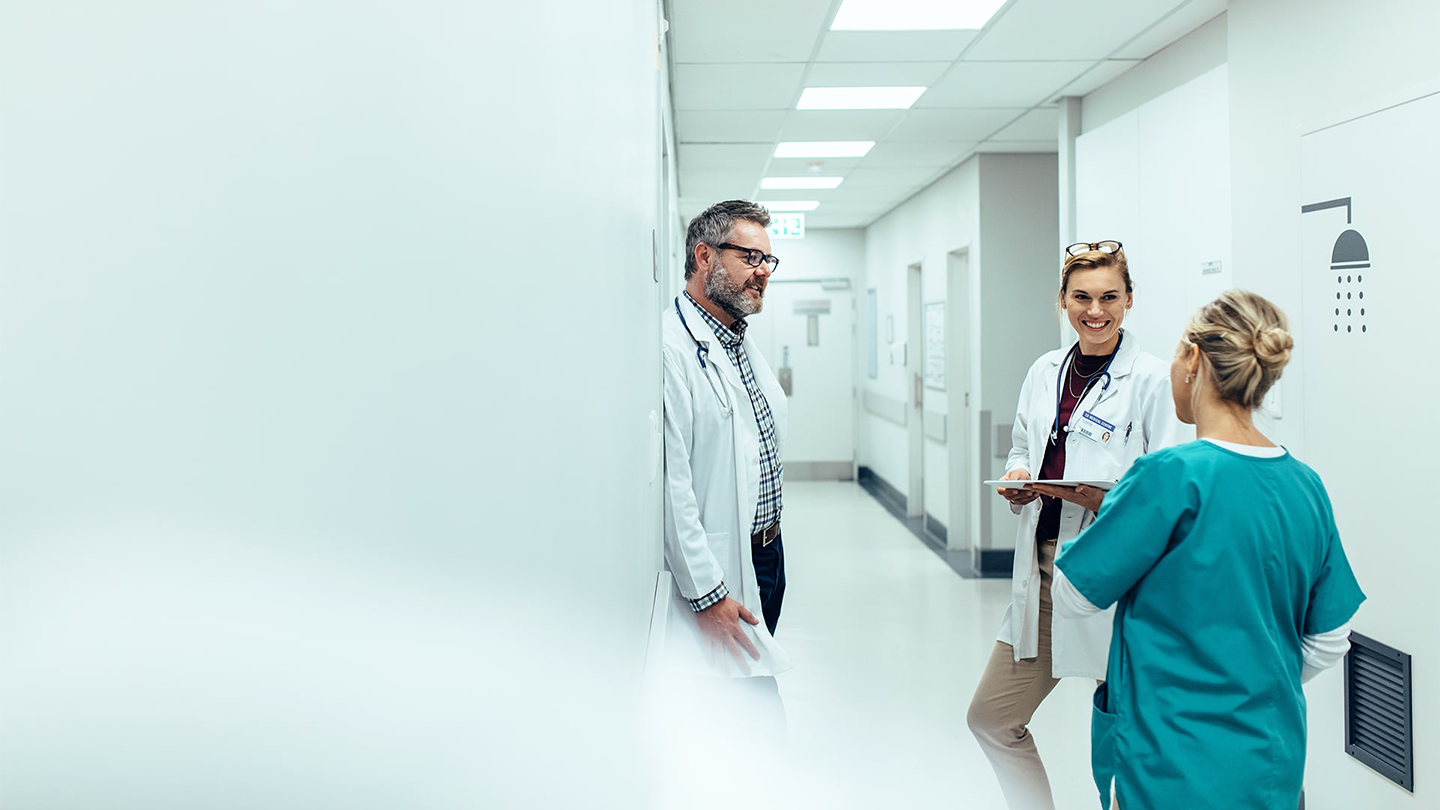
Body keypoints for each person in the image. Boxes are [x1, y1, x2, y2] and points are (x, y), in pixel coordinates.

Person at [1053, 291, 1365, 810]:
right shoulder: (1304, 484)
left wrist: (1112, 515)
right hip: (1270, 759)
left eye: (1177, 353)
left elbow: (1073, 595)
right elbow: (1331, 639)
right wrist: (1252, 679)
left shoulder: (1168, 476)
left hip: (1167, 759)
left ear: (1193, 360)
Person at [967, 240, 1189, 810]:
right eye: (1082, 297)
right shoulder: (1045, 371)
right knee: (993, 717)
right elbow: (1024, 443)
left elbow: (1169, 485)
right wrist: (1019, 474)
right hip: (1044, 574)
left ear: (1130, 300)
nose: (1096, 311)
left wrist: (1102, 501)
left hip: (1117, 579)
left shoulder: (1153, 380)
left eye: (1110, 297)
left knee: (1124, 728)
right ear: (1062, 300)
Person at [659, 199, 790, 702]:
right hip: (721, 567)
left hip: (767, 556)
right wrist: (708, 594)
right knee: (745, 715)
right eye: (750, 258)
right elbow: (674, 488)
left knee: (751, 695)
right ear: (704, 256)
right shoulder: (672, 348)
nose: (762, 273)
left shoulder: (735, 340)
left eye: (767, 261)